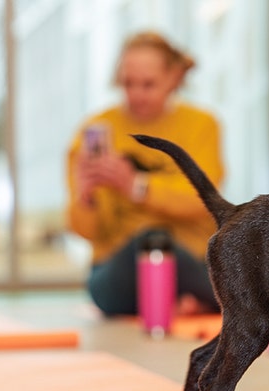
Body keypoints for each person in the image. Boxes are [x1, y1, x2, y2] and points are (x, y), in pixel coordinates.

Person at [66, 31, 224, 316]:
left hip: (192, 260)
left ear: (174, 79)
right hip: (118, 270)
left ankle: (188, 298)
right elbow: (86, 232)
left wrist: (135, 186)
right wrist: (85, 198)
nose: (136, 95)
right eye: (128, 84)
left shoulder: (202, 125)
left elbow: (203, 201)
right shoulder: (95, 129)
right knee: (148, 243)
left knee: (162, 244)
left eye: (148, 85)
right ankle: (196, 301)